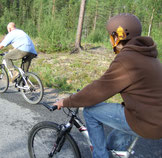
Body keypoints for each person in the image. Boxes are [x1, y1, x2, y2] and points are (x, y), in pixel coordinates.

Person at [54, 13, 162, 158]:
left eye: (111, 37)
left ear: (118, 36)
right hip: (153, 118)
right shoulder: (148, 56)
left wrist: (66, 101)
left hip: (145, 121)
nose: (111, 41)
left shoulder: (127, 59)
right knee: (112, 144)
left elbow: (98, 90)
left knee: (90, 111)